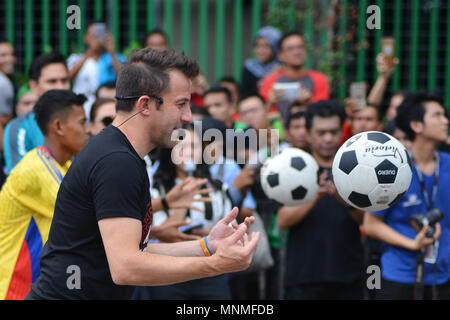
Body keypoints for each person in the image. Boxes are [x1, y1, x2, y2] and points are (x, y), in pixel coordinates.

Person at [26, 48, 259, 300]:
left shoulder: (122, 155)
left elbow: (137, 253)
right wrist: (217, 265)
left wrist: (207, 247)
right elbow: (126, 267)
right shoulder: (116, 162)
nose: (188, 116)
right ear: (145, 104)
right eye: (180, 104)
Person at [0, 90, 89, 300]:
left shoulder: (64, 166)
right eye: (82, 123)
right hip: (14, 291)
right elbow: (89, 217)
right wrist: (163, 206)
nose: (88, 130)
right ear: (58, 126)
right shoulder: (36, 168)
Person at [364, 91, 450, 300]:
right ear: (417, 126)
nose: (445, 121)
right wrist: (412, 244)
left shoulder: (447, 163)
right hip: (399, 276)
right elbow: (371, 224)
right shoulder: (393, 170)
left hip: (443, 275)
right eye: (437, 116)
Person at [277, 100, 365, 300]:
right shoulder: (292, 169)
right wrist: (314, 196)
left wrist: (343, 199)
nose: (328, 138)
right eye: (321, 132)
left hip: (348, 276)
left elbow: (366, 221)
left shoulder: (360, 169)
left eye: (334, 132)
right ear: (308, 133)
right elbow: (283, 220)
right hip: (303, 278)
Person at [147, 125, 234, 299]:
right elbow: (156, 232)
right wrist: (182, 202)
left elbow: (232, 228)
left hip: (209, 270)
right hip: (168, 272)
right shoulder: (157, 189)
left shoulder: (217, 188)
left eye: (193, 147)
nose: (187, 153)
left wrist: (209, 236)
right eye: (180, 147)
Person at [3, 52, 71, 174]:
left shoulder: (83, 123)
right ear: (34, 86)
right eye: (52, 81)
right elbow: (21, 180)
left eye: (64, 80)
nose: (60, 87)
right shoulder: (19, 128)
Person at [259, 31, 330, 123]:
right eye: (290, 49)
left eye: (300, 47)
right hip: (279, 135)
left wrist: (310, 102)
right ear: (280, 55)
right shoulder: (270, 81)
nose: (297, 52)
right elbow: (262, 126)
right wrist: (270, 103)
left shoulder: (320, 79)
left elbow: (325, 117)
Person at [67, 22, 125, 117]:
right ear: (85, 38)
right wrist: (89, 52)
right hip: (83, 108)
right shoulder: (76, 59)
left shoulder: (116, 58)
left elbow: (123, 79)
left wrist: (112, 52)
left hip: (108, 111)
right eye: (93, 35)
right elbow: (67, 77)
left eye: (100, 34)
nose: (97, 39)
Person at [241, 26, 282, 98]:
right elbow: (245, 95)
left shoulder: (282, 67)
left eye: (266, 46)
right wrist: (268, 78)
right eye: (257, 46)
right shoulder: (249, 67)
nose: (260, 51)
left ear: (275, 48)